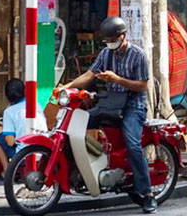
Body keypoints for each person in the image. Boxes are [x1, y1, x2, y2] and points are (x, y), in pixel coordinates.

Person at [58, 17, 155, 213]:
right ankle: (83, 174)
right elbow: (88, 75)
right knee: (74, 125)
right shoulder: (106, 53)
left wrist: (117, 79)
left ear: (123, 36)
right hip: (111, 103)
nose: (110, 42)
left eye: (113, 38)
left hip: (133, 107)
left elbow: (143, 85)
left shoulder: (138, 55)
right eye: (107, 39)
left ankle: (147, 194)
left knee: (133, 144)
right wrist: (65, 87)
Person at [0, 78, 26, 167]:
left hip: (23, 157)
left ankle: (7, 171)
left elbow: (10, 142)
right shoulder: (37, 105)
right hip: (42, 155)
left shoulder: (9, 111)